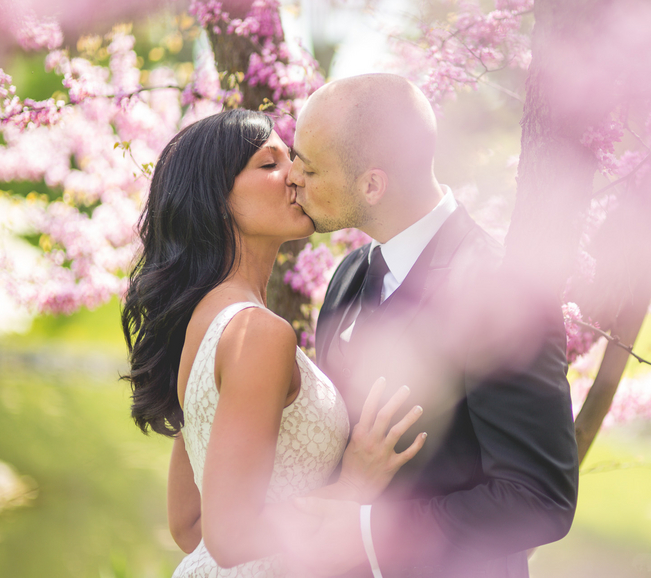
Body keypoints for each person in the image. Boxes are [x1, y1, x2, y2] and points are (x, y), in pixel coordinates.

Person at [285, 73, 579, 578]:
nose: (291, 177)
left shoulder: (502, 293)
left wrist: (372, 532)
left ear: (372, 184)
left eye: (308, 167)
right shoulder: (349, 273)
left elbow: (539, 497)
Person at [121, 109, 427, 577]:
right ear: (214, 197)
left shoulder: (202, 325)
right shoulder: (257, 333)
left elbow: (188, 524)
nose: (296, 177)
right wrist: (350, 485)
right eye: (269, 164)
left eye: (297, 161)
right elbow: (228, 537)